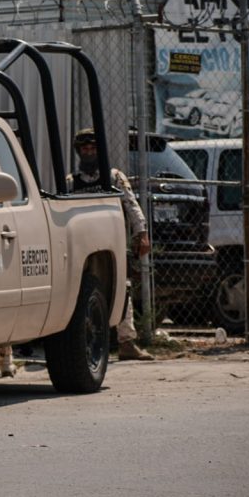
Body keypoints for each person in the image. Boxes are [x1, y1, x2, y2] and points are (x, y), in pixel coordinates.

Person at [68, 128, 154, 361]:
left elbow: (131, 205)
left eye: (93, 148)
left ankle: (126, 342)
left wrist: (142, 233)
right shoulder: (71, 182)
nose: (88, 153)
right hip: (83, 248)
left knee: (122, 290)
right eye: (84, 149)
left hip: (112, 245)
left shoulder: (114, 176)